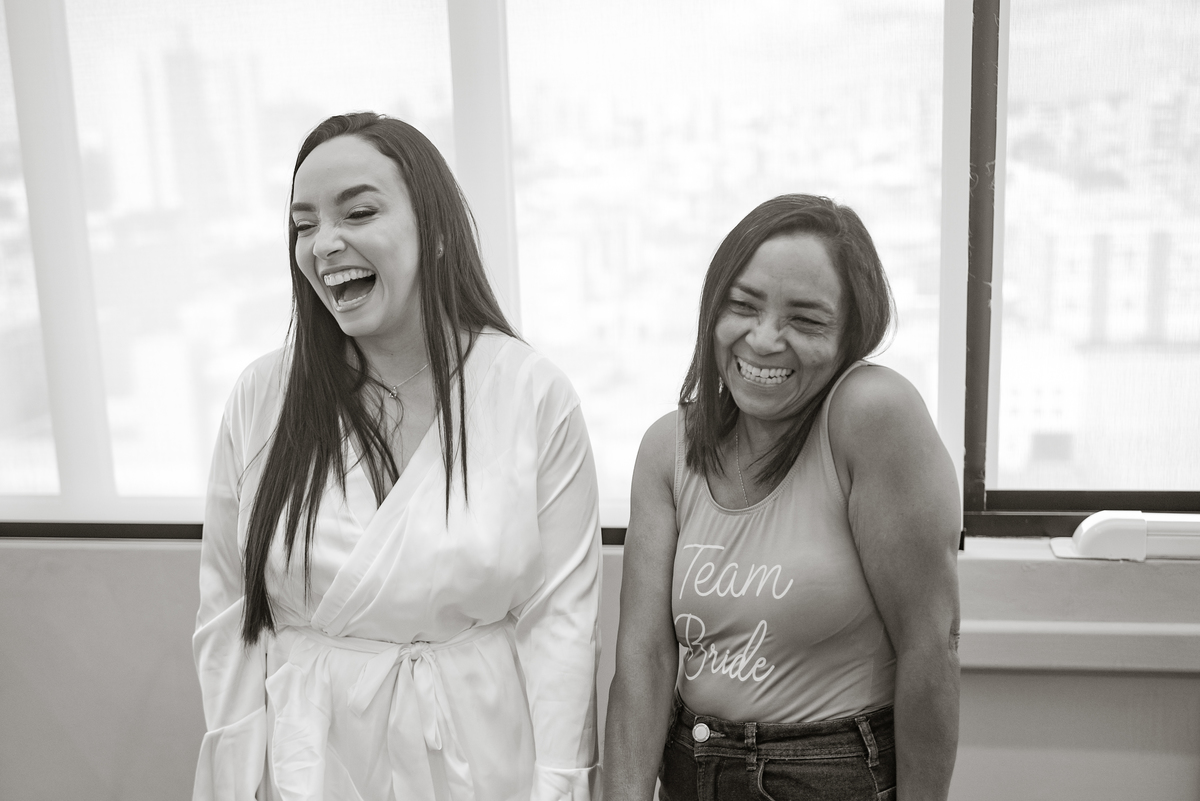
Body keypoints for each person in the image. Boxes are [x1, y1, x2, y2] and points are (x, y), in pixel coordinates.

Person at [193, 112, 602, 801]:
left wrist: (560, 788)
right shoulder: (264, 396)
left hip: (483, 755)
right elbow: (227, 613)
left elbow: (562, 624)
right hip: (316, 763)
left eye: (357, 212)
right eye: (303, 225)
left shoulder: (529, 392)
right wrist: (236, 782)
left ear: (435, 231)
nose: (325, 243)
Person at [603, 195, 960, 800]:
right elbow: (644, 662)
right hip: (692, 765)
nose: (764, 339)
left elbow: (932, 645)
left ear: (850, 335)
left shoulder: (873, 414)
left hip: (828, 772)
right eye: (743, 306)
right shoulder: (669, 447)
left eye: (806, 320)